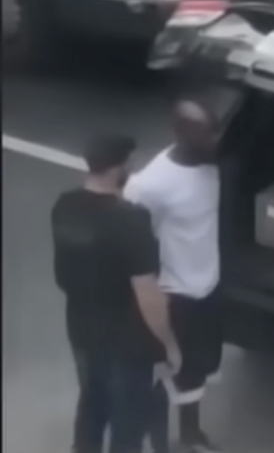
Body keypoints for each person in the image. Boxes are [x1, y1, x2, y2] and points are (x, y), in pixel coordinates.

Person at [51, 133, 181, 453]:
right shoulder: (130, 221)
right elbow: (149, 297)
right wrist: (169, 345)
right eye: (130, 163)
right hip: (125, 338)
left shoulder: (64, 205)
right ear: (116, 168)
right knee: (128, 420)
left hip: (80, 327)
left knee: (92, 402)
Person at [125, 101, 223, 453]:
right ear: (181, 135)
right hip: (175, 290)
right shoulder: (151, 185)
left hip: (208, 284)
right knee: (165, 369)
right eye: (206, 136)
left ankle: (190, 432)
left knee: (196, 367)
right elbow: (137, 240)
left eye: (215, 132)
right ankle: (154, 440)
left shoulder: (213, 164)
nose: (215, 142)